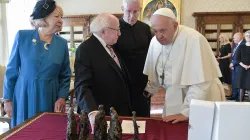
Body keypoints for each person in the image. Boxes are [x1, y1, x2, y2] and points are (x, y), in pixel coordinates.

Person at [143, 8, 225, 123]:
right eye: (155, 31)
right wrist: (149, 91)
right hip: (173, 96)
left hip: (202, 97)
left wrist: (186, 112)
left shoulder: (194, 39)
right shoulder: (155, 42)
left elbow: (201, 83)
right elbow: (157, 73)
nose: (159, 36)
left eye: (163, 31)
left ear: (175, 25)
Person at [3, 0, 71, 127]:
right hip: (24, 94)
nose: (60, 20)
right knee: (24, 130)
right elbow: (11, 70)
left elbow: (65, 75)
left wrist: (62, 97)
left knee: (47, 130)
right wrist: (7, 100)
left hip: (49, 95)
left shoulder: (62, 43)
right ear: (43, 18)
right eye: (56, 16)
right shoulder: (22, 36)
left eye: (61, 17)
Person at [74, 13, 132, 131]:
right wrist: (93, 112)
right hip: (102, 116)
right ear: (103, 31)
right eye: (117, 30)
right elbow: (82, 86)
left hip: (117, 112)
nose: (119, 33)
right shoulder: (86, 49)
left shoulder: (110, 46)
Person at [113, 0, 152, 117]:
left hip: (142, 81)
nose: (132, 16)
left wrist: (151, 83)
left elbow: (151, 55)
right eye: (128, 11)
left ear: (140, 10)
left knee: (143, 117)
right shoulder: (114, 27)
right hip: (122, 81)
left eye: (135, 12)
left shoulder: (145, 28)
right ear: (122, 9)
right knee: (123, 117)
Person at [228, 32, 245, 100]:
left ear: (239, 37)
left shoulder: (243, 44)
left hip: (239, 67)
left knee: (238, 82)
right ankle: (234, 95)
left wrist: (233, 63)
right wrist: (232, 63)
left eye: (234, 38)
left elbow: (241, 57)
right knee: (234, 81)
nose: (233, 39)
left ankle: (239, 97)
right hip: (235, 66)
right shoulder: (237, 45)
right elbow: (235, 56)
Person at [235, 30, 250, 101]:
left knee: (249, 87)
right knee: (242, 87)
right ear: (245, 37)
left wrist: (249, 66)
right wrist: (244, 66)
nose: (248, 37)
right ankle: (241, 103)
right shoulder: (241, 46)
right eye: (247, 35)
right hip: (242, 69)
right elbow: (237, 59)